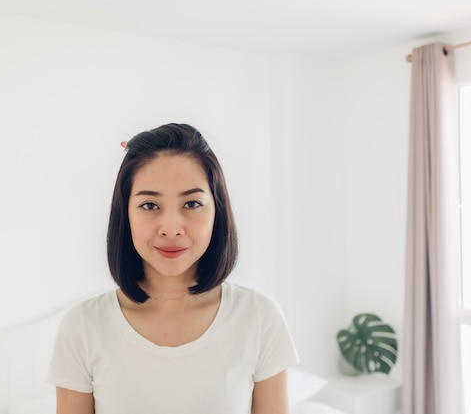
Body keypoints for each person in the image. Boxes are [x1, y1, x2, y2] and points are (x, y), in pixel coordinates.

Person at [47, 123, 299, 414]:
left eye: (192, 203)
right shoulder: (83, 327)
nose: (170, 228)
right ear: (125, 213)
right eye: (150, 205)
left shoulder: (259, 317)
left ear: (217, 210)